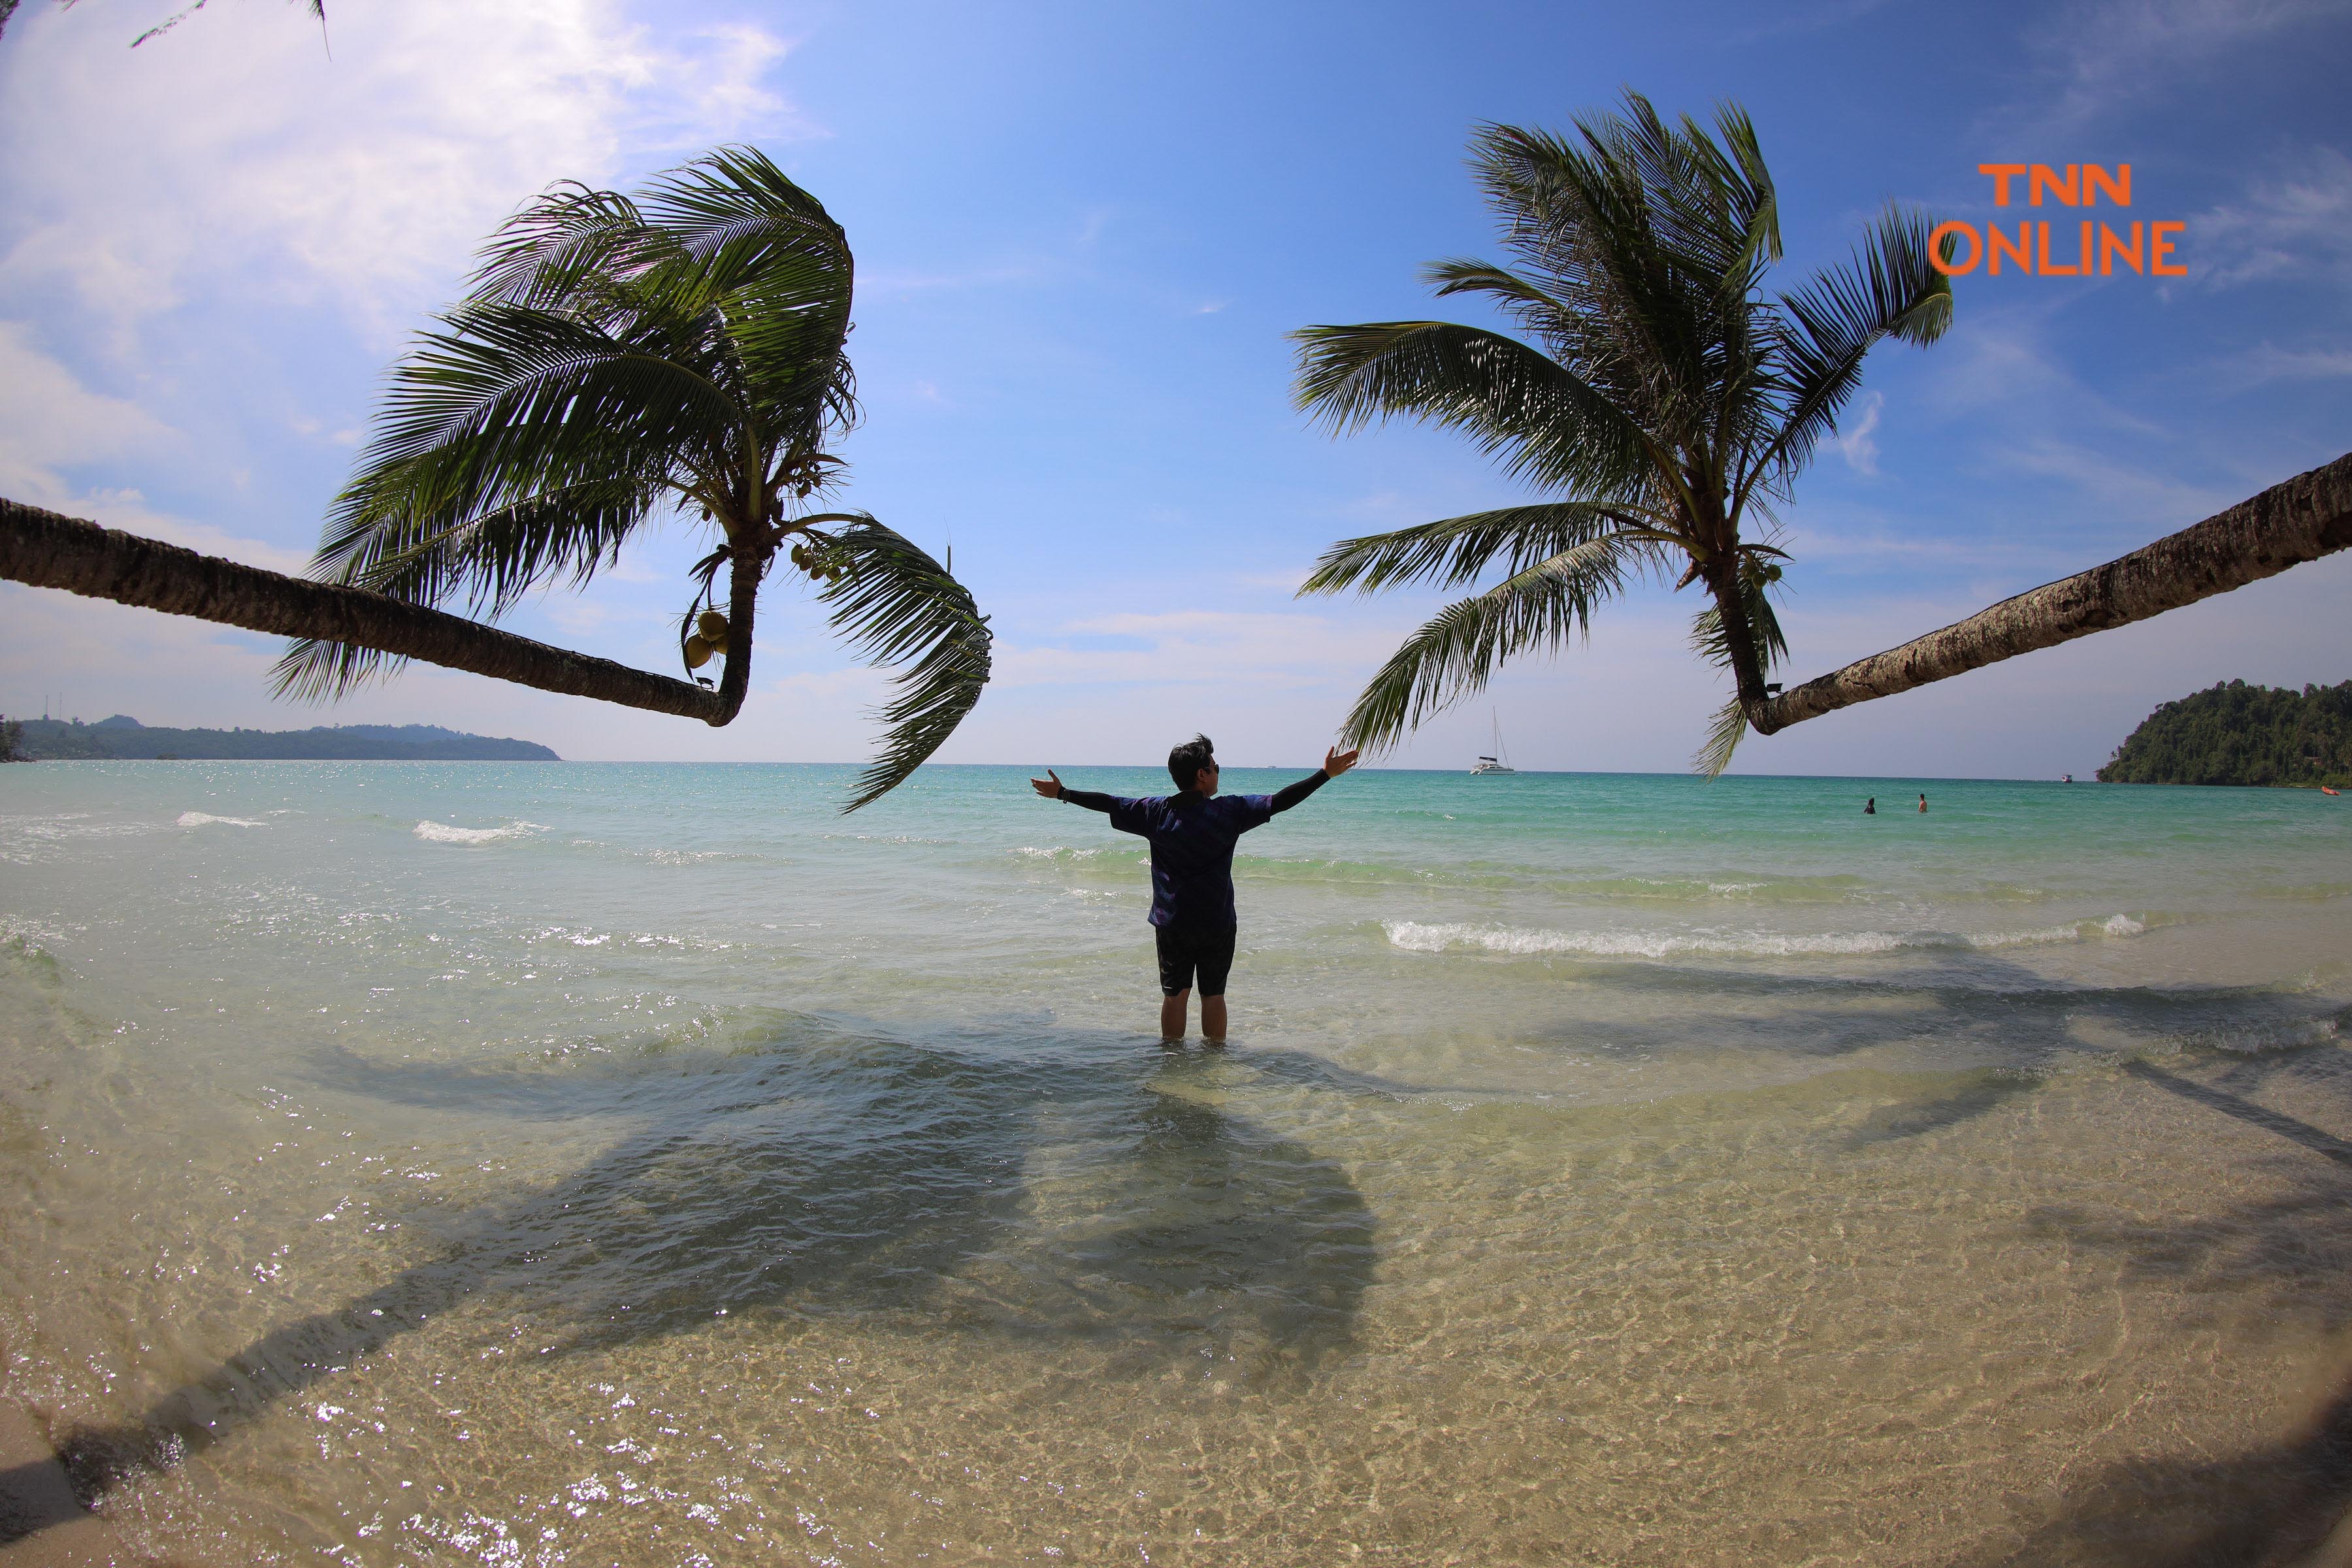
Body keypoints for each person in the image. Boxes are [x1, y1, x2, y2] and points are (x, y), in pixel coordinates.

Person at [1030, 734, 1359, 1043]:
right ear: (1202, 775)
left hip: (1172, 922)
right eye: (1215, 767)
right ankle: (1213, 1063)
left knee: (1175, 995)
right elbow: (1280, 802)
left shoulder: (1155, 812)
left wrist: (1064, 794)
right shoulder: (1229, 811)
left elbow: (1110, 804)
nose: (1218, 772)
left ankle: (1172, 1063)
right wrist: (1324, 775)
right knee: (1213, 995)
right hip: (1216, 922)